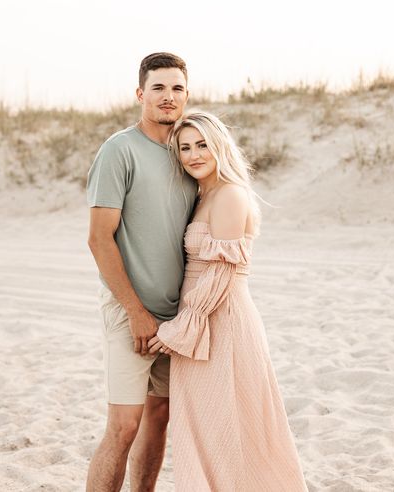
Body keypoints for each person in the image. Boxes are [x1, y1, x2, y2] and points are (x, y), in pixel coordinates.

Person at [148, 111, 309, 491]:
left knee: (228, 425)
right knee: (205, 425)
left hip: (221, 322)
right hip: (198, 323)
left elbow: (220, 273)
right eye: (185, 148)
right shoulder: (203, 194)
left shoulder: (231, 194)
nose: (193, 155)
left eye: (202, 144)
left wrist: (179, 329)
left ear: (219, 145)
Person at [85, 53, 197, 492]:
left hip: (176, 318)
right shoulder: (120, 149)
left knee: (159, 418)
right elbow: (99, 239)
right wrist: (135, 310)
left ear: (186, 95)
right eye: (159, 88)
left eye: (177, 89)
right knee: (124, 425)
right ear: (140, 94)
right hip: (130, 311)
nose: (168, 98)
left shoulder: (189, 153)